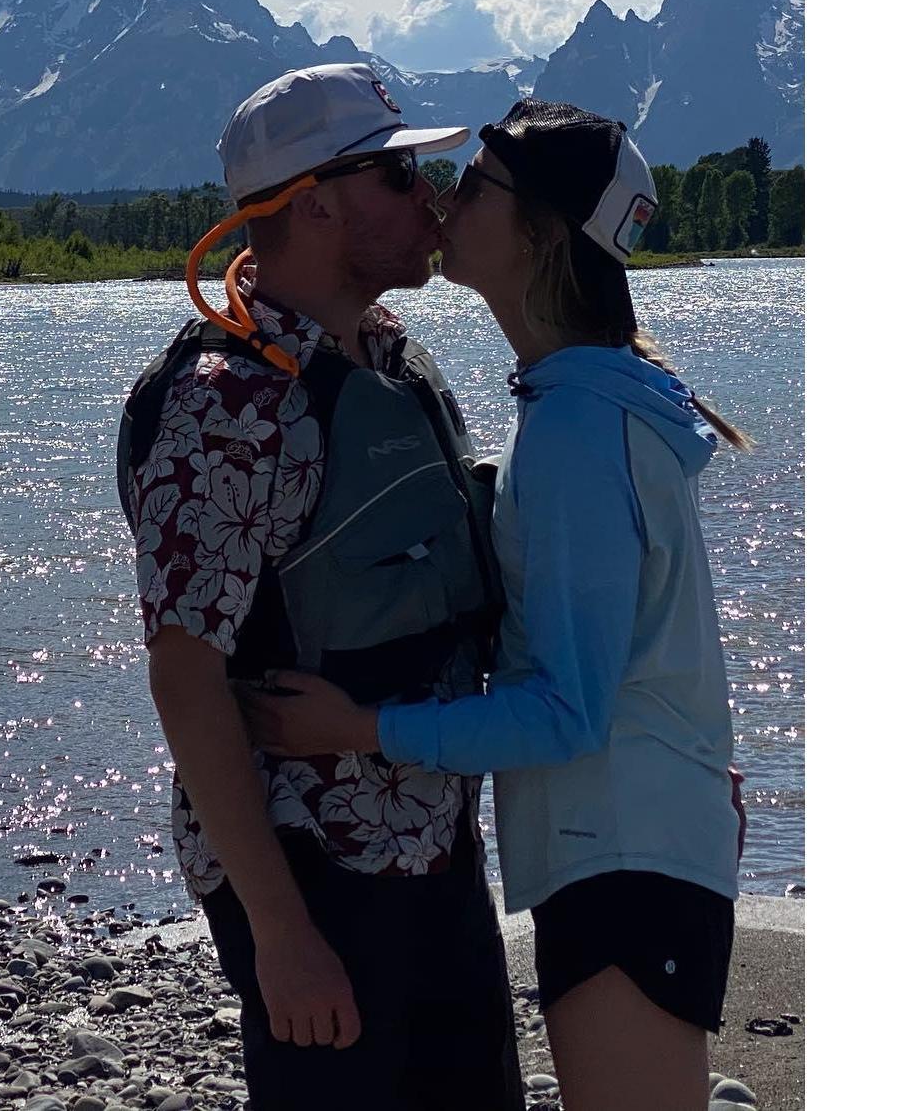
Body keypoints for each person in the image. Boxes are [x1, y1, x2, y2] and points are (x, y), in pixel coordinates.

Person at [236, 98, 747, 1111]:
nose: (440, 199)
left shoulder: (576, 430)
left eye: (473, 183)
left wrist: (363, 726)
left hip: (621, 857)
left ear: (542, 233)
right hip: (632, 841)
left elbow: (565, 709)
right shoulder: (590, 400)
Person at [115, 63, 524, 1111]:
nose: (426, 197)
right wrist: (281, 935)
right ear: (313, 203)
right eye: (395, 174)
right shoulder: (222, 407)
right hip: (315, 870)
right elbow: (184, 672)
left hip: (430, 838)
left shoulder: (389, 358)